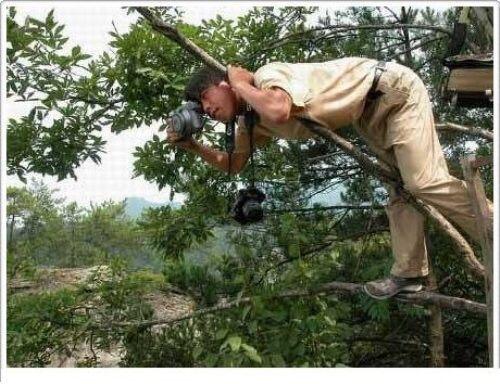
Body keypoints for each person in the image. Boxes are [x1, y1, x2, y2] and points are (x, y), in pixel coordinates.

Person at [166, 57, 493, 299]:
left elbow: (279, 108)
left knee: (422, 181)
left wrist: (239, 81)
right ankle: (409, 273)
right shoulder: (251, 119)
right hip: (368, 115)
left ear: (224, 84)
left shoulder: (267, 78)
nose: (205, 109)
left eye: (206, 97)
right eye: (200, 107)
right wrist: (192, 144)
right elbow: (233, 164)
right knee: (400, 189)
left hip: (392, 91)